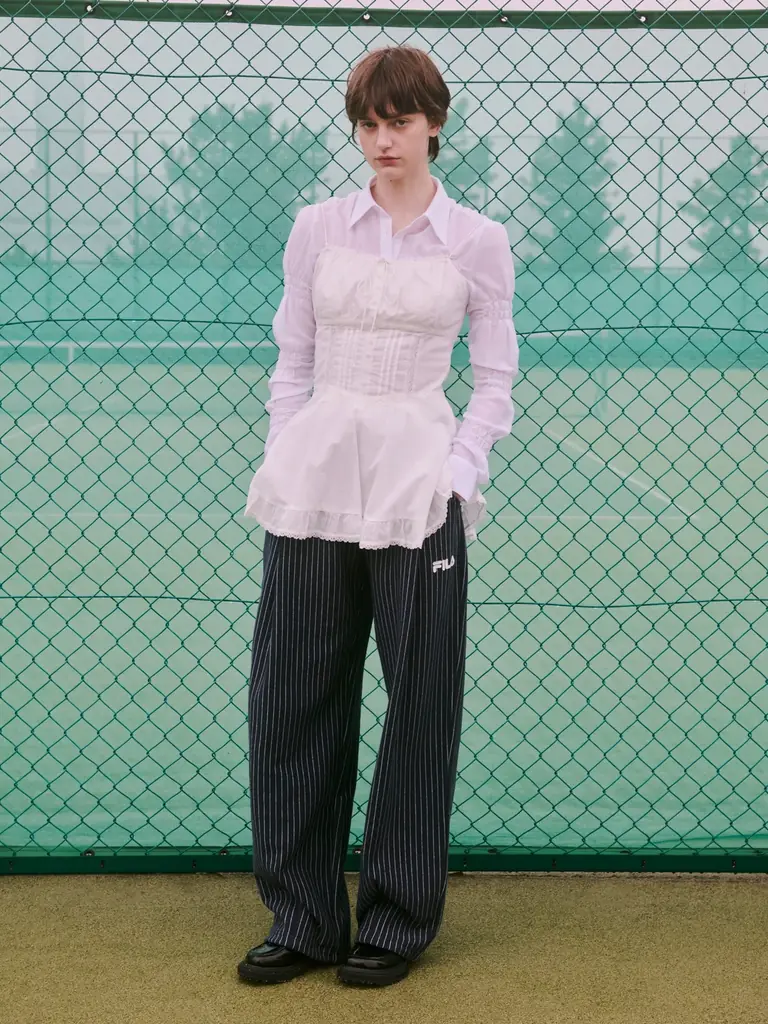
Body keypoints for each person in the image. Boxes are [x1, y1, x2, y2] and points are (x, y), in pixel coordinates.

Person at [236, 44, 519, 989]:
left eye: (399, 121)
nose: (382, 139)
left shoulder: (476, 239)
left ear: (434, 124)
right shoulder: (317, 227)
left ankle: (397, 919)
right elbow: (293, 357)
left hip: (418, 491)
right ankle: (304, 916)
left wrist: (456, 474)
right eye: (367, 122)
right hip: (314, 483)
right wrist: (286, 453)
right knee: (292, 696)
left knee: (421, 703)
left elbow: (495, 378)